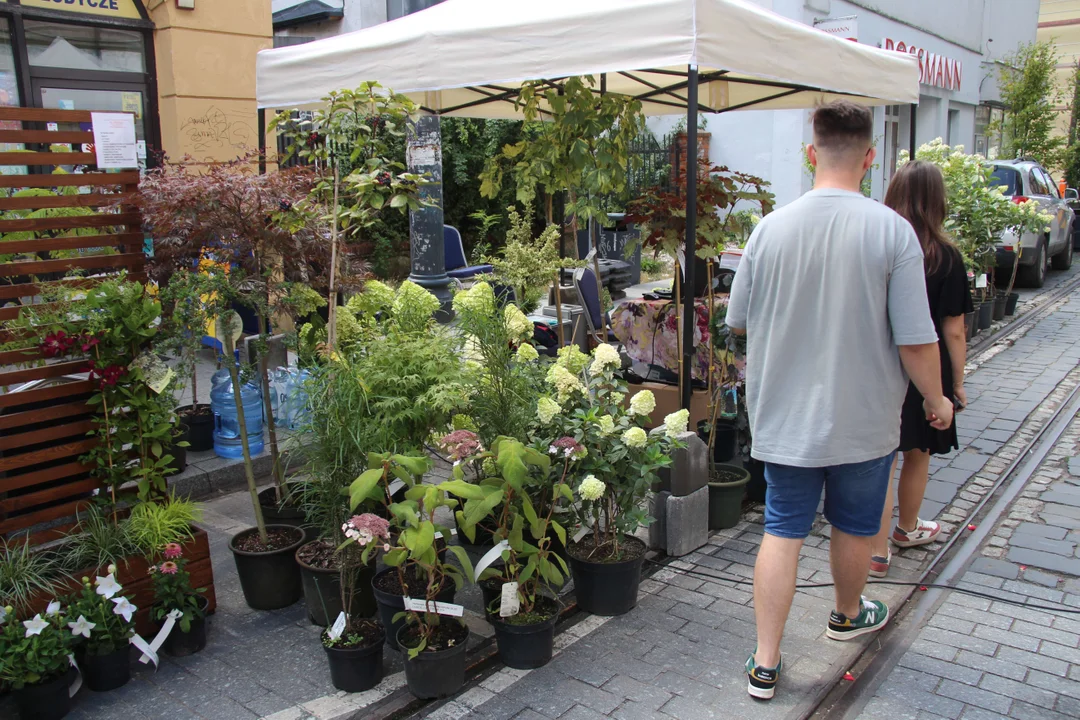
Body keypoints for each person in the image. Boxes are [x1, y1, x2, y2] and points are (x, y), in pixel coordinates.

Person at [726, 100, 954, 702]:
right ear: (871, 158)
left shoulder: (770, 228)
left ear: (810, 154)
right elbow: (916, 338)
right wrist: (937, 399)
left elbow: (740, 321)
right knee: (855, 525)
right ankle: (846, 614)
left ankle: (766, 662)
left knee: (782, 528)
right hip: (864, 419)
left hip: (784, 417)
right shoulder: (891, 231)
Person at [869, 161, 972, 577]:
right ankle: (907, 529)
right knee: (918, 452)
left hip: (880, 361)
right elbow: (955, 331)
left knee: (880, 460)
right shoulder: (945, 256)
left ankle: (876, 552)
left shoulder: (878, 246)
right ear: (938, 201)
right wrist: (957, 384)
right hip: (928, 366)